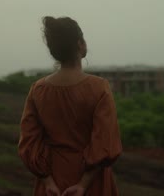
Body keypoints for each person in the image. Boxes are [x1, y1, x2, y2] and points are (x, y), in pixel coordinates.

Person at [18, 16, 122, 196]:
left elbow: (29, 142)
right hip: (91, 181)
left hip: (52, 182)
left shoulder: (38, 90)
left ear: (54, 51)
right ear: (80, 44)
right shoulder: (99, 88)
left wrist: (47, 181)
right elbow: (105, 142)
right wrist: (83, 184)